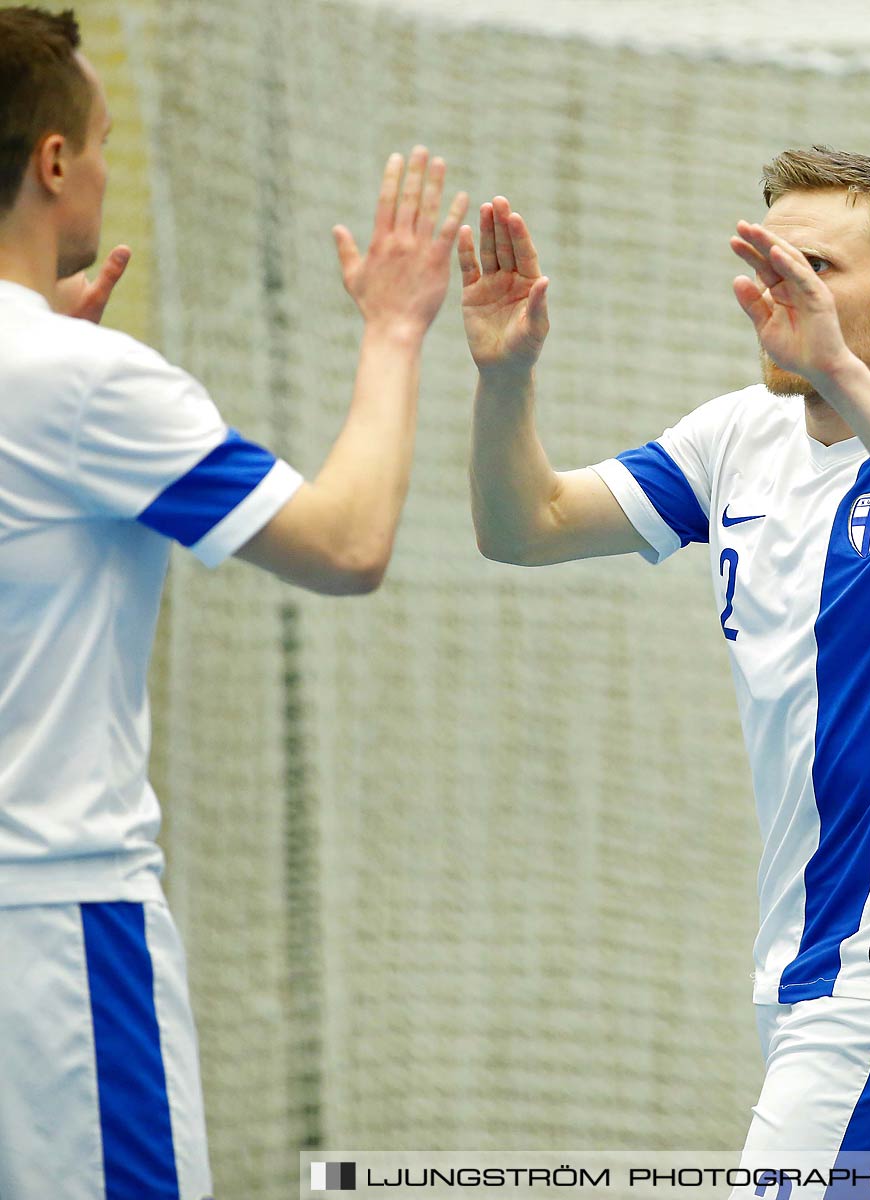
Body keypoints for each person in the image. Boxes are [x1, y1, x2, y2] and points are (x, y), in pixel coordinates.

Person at [461, 147, 870, 1179]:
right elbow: (527, 526)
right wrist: (506, 379)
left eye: (818, 270)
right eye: (774, 264)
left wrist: (842, 373)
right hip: (802, 969)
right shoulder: (736, 437)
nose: (784, 293)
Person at [0, 8, 467, 1196]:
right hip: (52, 931)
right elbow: (347, 542)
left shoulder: (51, 375)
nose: (105, 163)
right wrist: (395, 330)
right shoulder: (78, 380)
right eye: (100, 139)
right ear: (54, 163)